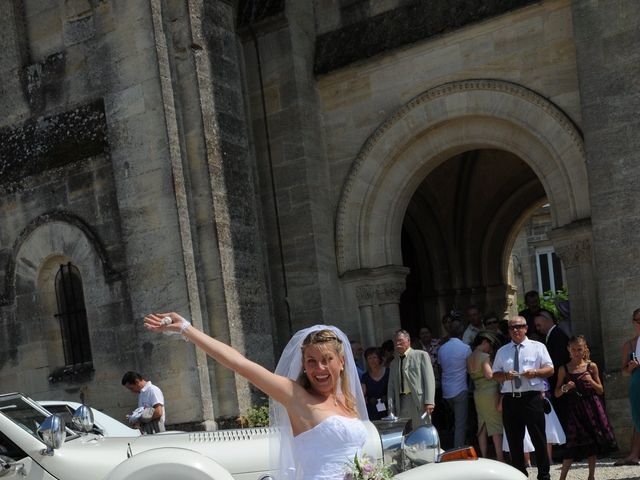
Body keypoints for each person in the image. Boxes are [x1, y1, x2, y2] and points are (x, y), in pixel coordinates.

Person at [144, 312, 368, 480]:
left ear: (341, 362)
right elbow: (240, 364)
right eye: (311, 361)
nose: (319, 368)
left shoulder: (349, 402)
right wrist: (186, 329)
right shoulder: (296, 396)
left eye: (326, 360)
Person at [492, 316, 553, 480]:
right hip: (511, 399)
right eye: (512, 328)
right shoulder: (502, 351)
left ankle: (544, 475)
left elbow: (550, 369)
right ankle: (520, 475)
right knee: (514, 441)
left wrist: (535, 373)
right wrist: (505, 375)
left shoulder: (537, 347)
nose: (515, 330)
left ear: (526, 328)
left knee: (538, 438)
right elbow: (494, 374)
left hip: (531, 397)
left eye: (519, 327)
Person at [554, 335, 616, 480]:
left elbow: (601, 390)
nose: (576, 352)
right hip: (574, 409)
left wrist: (591, 381)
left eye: (579, 349)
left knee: (592, 442)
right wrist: (565, 388)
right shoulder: (564, 369)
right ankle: (562, 477)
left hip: (592, 406)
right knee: (572, 443)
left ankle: (591, 476)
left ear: (585, 349)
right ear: (568, 350)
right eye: (573, 349)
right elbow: (556, 393)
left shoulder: (591, 366)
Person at [387, 329, 436, 431]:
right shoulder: (393, 363)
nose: (397, 343)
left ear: (408, 341)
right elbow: (391, 387)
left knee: (423, 431)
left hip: (418, 401)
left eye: (400, 340)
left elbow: (429, 379)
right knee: (406, 434)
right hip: (401, 402)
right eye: (395, 341)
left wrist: (429, 401)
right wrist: (391, 407)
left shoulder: (421, 355)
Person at [467, 331, 503, 461]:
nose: (491, 348)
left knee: (481, 425)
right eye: (490, 344)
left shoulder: (470, 357)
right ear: (485, 342)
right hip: (490, 392)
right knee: (495, 425)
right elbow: (489, 375)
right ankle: (500, 457)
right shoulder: (484, 356)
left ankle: (483, 456)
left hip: (478, 392)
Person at [438, 319, 471, 448]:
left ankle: (461, 444)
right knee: (460, 423)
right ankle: (459, 450)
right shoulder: (465, 348)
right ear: (461, 332)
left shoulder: (442, 349)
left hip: (447, 391)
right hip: (460, 389)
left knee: (458, 421)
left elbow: (440, 369)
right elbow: (470, 369)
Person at [534, 310, 570, 430]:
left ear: (547, 321)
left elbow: (558, 360)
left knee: (564, 411)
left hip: (560, 380)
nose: (538, 329)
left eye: (539, 325)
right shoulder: (552, 335)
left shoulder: (557, 335)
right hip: (557, 381)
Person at [615, 308, 640, 466]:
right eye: (639, 320)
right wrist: (630, 368)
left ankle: (634, 454)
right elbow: (623, 372)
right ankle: (633, 454)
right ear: (633, 322)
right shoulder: (629, 345)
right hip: (637, 383)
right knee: (638, 418)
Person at [360, 347, 390, 420]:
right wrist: (369, 400)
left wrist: (388, 397)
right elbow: (361, 396)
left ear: (380, 358)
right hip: (373, 413)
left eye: (374, 357)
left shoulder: (389, 372)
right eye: (369, 358)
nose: (372, 360)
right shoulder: (365, 377)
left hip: (389, 410)